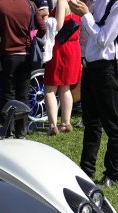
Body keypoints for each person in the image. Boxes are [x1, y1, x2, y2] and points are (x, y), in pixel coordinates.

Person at [68, 0, 118, 187]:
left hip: (107, 70)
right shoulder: (98, 2)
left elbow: (104, 40)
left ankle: (112, 174)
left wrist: (86, 14)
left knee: (112, 126)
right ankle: (86, 170)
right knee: (91, 123)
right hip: (91, 68)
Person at [0, 0, 46, 138]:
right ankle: (21, 131)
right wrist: (32, 41)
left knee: (9, 94)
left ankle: (9, 130)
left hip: (7, 55)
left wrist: (1, 44)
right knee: (23, 94)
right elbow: (43, 28)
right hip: (26, 55)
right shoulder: (30, 4)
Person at [44, 0, 81, 134]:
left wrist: (47, 21)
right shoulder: (77, 2)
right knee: (65, 87)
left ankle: (53, 125)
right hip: (73, 47)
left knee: (50, 88)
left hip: (61, 47)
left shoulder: (61, 1)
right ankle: (66, 123)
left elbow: (58, 26)